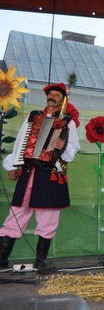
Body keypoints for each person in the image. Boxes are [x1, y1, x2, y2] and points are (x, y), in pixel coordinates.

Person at [0, 83, 80, 271]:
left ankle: (40, 260)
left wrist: (61, 145)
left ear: (63, 101)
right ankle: (1, 258)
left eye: (57, 95)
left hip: (49, 174)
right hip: (28, 172)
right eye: (50, 94)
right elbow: (20, 143)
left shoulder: (67, 122)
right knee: (16, 214)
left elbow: (72, 151)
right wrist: (12, 165)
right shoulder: (32, 116)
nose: (52, 97)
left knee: (48, 217)